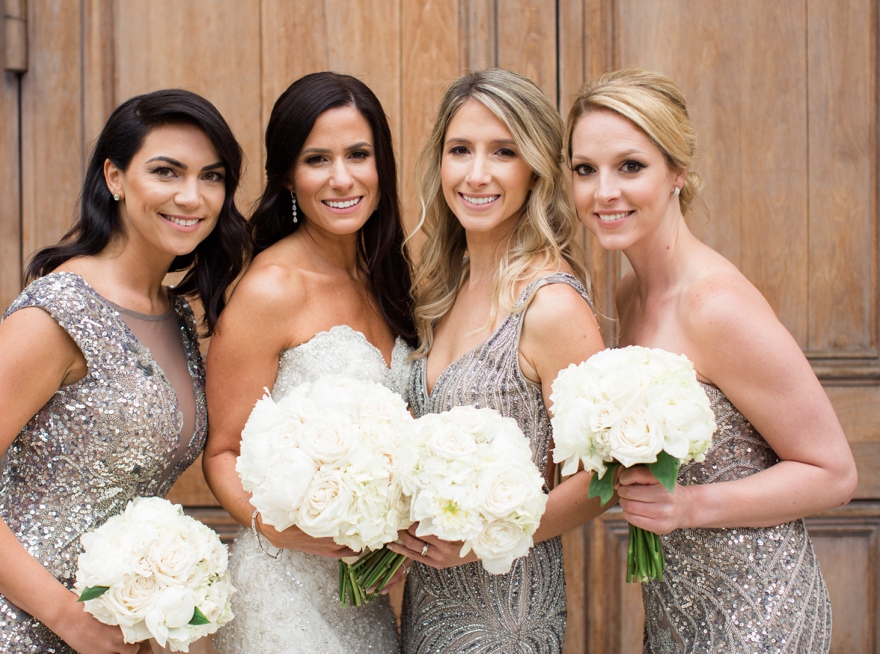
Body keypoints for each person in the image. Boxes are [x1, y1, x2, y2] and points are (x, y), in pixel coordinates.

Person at [0, 89, 250, 654]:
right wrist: (68, 618)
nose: (191, 197)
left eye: (211, 177)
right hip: (5, 627)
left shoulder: (178, 317)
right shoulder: (58, 311)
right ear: (114, 177)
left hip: (106, 634)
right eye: (166, 171)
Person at [565, 68, 858, 652]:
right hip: (678, 605)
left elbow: (834, 473)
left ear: (676, 172)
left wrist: (692, 503)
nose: (604, 191)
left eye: (630, 166)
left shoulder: (715, 306)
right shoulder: (628, 296)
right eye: (584, 169)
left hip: (759, 611)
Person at [386, 68, 606, 653]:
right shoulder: (440, 288)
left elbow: (602, 478)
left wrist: (489, 536)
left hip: (507, 618)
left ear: (534, 168)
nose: (476, 174)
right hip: (428, 609)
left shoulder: (550, 305)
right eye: (461, 150)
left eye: (503, 152)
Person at [203, 72, 414, 654]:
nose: (342, 178)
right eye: (317, 159)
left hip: (366, 600)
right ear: (289, 177)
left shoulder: (387, 279)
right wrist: (283, 529)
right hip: (283, 595)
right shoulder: (271, 289)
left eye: (358, 155)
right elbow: (222, 451)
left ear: (382, 166)